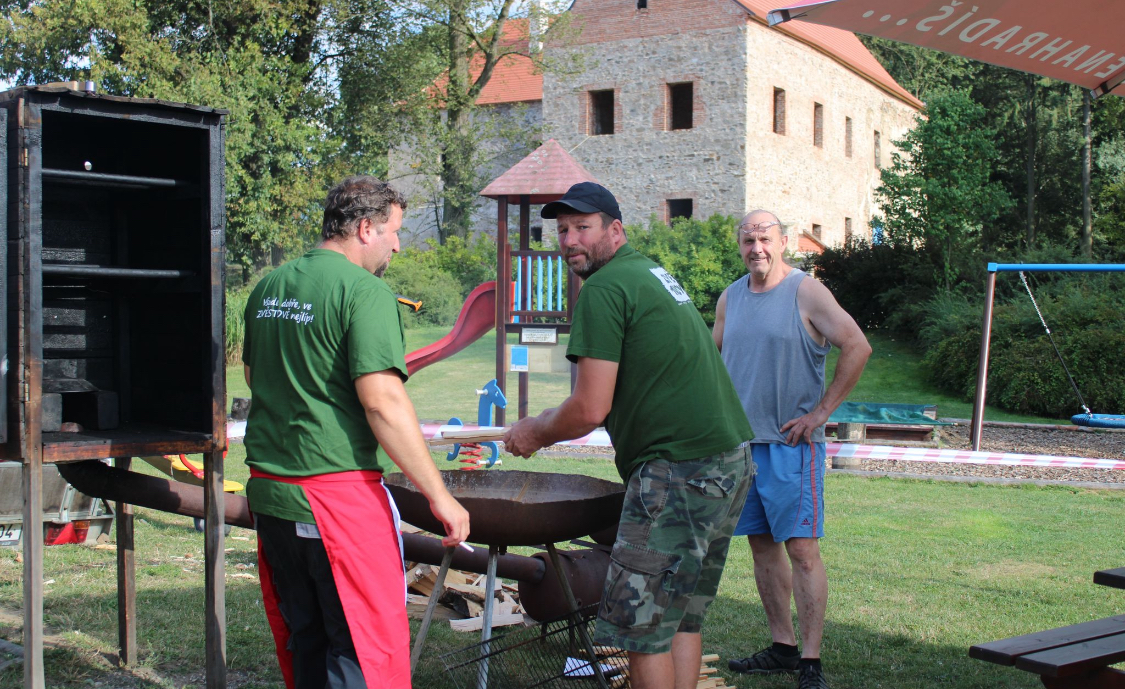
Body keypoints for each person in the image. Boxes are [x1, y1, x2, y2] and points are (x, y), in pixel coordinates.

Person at [503, 182, 755, 689]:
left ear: (615, 230)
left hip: (678, 471)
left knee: (641, 632)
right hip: (728, 461)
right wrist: (552, 416)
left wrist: (536, 432)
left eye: (583, 227)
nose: (570, 240)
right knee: (679, 618)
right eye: (563, 230)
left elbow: (589, 409)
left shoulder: (603, 288)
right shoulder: (649, 273)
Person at [241, 176, 470, 689]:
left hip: (272, 498)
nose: (397, 245)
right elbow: (382, 403)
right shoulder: (366, 292)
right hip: (336, 500)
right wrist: (440, 496)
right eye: (394, 231)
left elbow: (256, 377)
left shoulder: (269, 286)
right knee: (359, 650)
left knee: (306, 639)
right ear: (366, 228)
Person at [714, 210, 871, 689]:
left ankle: (810, 661)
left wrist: (820, 413)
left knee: (802, 551)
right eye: (748, 240)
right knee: (762, 547)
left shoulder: (807, 291)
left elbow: (857, 346)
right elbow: (709, 362)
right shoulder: (730, 298)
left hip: (792, 445)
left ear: (783, 242)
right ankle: (782, 647)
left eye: (765, 238)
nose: (756, 248)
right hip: (743, 447)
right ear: (740, 246)